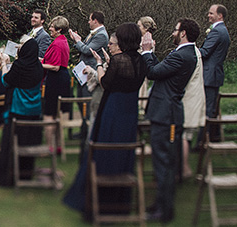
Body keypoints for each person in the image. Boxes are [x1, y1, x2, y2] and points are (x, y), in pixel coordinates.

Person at [63, 25, 147, 219]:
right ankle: (119, 200)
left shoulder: (119, 60)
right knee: (123, 149)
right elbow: (129, 80)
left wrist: (100, 64)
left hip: (113, 109)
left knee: (104, 147)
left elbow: (106, 83)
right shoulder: (141, 61)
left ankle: (98, 199)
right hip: (130, 111)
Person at [141, 18, 199, 223]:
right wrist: (153, 55)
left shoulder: (183, 55)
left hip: (167, 116)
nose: (172, 33)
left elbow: (154, 73)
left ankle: (164, 211)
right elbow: (162, 72)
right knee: (162, 162)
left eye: (175, 30)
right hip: (165, 114)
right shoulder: (183, 54)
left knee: (164, 163)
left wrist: (147, 51)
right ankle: (160, 204)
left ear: (183, 33)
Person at [0, 39, 44, 186]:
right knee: (29, 143)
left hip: (19, 108)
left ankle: (7, 177)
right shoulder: (38, 66)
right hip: (34, 110)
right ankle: (26, 173)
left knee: (11, 144)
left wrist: (3, 64)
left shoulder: (19, 66)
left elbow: (5, 81)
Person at [199, 4, 230, 142]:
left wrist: (188, 50)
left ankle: (202, 142)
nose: (208, 15)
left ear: (220, 15)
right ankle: (214, 137)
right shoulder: (221, 30)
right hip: (213, 74)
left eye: (211, 13)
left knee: (207, 109)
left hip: (209, 75)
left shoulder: (217, 32)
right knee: (211, 108)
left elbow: (205, 52)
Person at [41, 15, 71, 153]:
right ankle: (59, 146)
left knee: (50, 113)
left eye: (52, 27)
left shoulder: (57, 43)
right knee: (59, 113)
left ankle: (50, 147)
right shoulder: (63, 41)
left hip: (56, 79)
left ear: (59, 29)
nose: (50, 29)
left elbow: (55, 66)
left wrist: (39, 64)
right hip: (63, 78)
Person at [69, 11, 109, 98]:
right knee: (80, 98)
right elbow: (84, 47)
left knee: (86, 101)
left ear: (95, 21)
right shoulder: (95, 33)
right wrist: (76, 41)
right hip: (84, 72)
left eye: (89, 20)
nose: (88, 22)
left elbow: (87, 50)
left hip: (91, 73)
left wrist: (78, 41)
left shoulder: (101, 35)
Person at [182, 44, 204, 178]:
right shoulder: (194, 52)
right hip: (194, 98)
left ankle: (184, 168)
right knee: (186, 135)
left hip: (189, 99)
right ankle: (184, 168)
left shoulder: (189, 54)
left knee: (183, 134)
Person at [136, 16, 158, 99]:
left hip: (142, 68)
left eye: (139, 26)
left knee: (142, 87)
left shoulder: (145, 41)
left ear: (146, 28)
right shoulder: (149, 39)